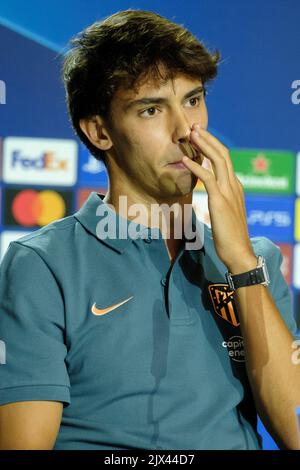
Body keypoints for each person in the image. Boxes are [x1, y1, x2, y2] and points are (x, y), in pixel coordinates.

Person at [0, 9, 299, 451]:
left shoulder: (258, 260)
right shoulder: (43, 265)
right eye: (152, 109)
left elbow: (293, 430)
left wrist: (241, 264)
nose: (185, 131)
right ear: (100, 131)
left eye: (193, 100)